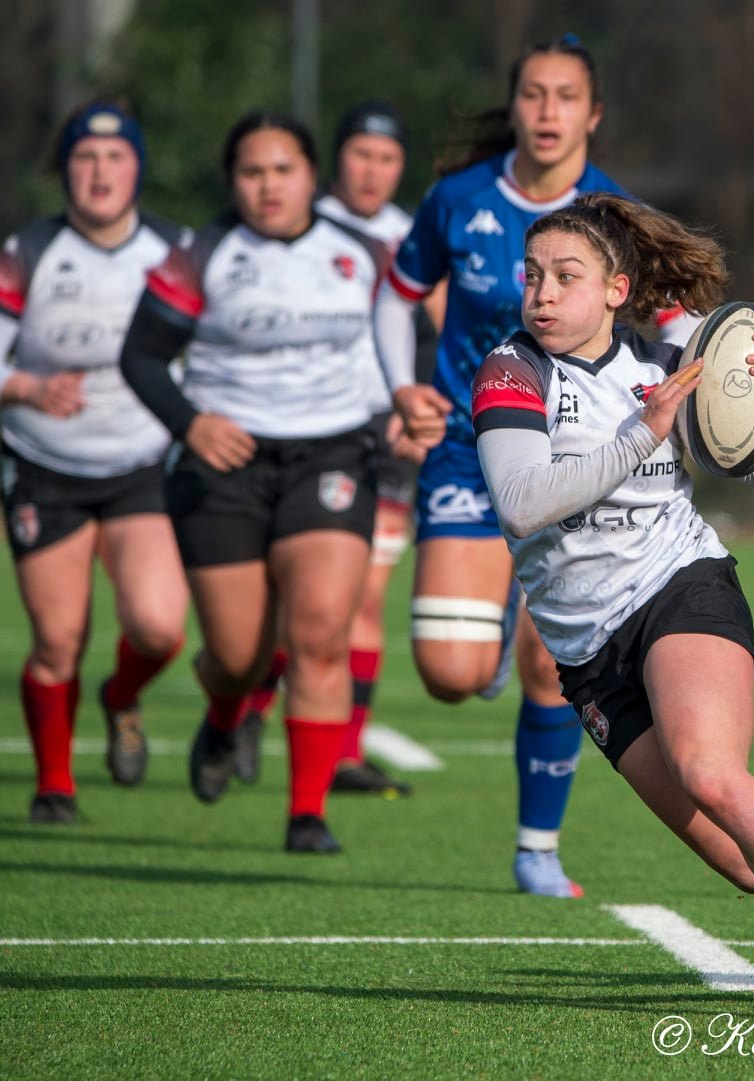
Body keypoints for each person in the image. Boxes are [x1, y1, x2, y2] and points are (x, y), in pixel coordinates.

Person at [436, 192, 754, 1028]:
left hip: (681, 583)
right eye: (532, 274)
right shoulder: (511, 369)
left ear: (615, 288)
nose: (541, 292)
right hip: (588, 652)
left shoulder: (677, 345)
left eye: (566, 275)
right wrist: (641, 434)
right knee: (747, 863)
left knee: (710, 769)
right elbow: (524, 501)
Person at [377, 37, 639, 896]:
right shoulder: (458, 198)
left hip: (577, 456)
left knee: (549, 664)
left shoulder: (618, 212)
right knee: (450, 675)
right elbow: (396, 291)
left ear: (592, 115)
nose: (549, 110)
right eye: (534, 94)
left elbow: (671, 318)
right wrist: (402, 386)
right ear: (515, 105)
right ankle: (490, 620)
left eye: (567, 96)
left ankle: (537, 849)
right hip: (467, 442)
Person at [120, 112, 409, 853]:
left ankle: (306, 813)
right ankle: (224, 719)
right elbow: (143, 357)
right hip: (226, 467)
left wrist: (408, 401)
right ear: (232, 182)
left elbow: (411, 335)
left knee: (318, 636)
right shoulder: (203, 252)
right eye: (252, 172)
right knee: (240, 655)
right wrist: (191, 423)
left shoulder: (366, 252)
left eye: (283, 170)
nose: (268, 186)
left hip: (333, 456)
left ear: (313, 177)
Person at [0, 100, 190, 823]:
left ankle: (120, 695)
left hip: (142, 467)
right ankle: (54, 785)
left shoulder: (175, 249)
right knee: (56, 636)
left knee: (161, 626)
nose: (100, 171)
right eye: (84, 157)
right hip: (45, 466)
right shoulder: (28, 250)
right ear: (66, 169)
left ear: (137, 166)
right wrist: (26, 386)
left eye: (115, 157)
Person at [237, 101, 434, 797]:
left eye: (387, 158)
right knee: (292, 604)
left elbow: (433, 327)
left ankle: (344, 751)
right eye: (360, 154)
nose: (373, 170)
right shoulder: (300, 225)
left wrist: (414, 404)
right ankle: (248, 706)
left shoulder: (413, 236)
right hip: (298, 438)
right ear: (334, 163)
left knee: (365, 597)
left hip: (383, 439)